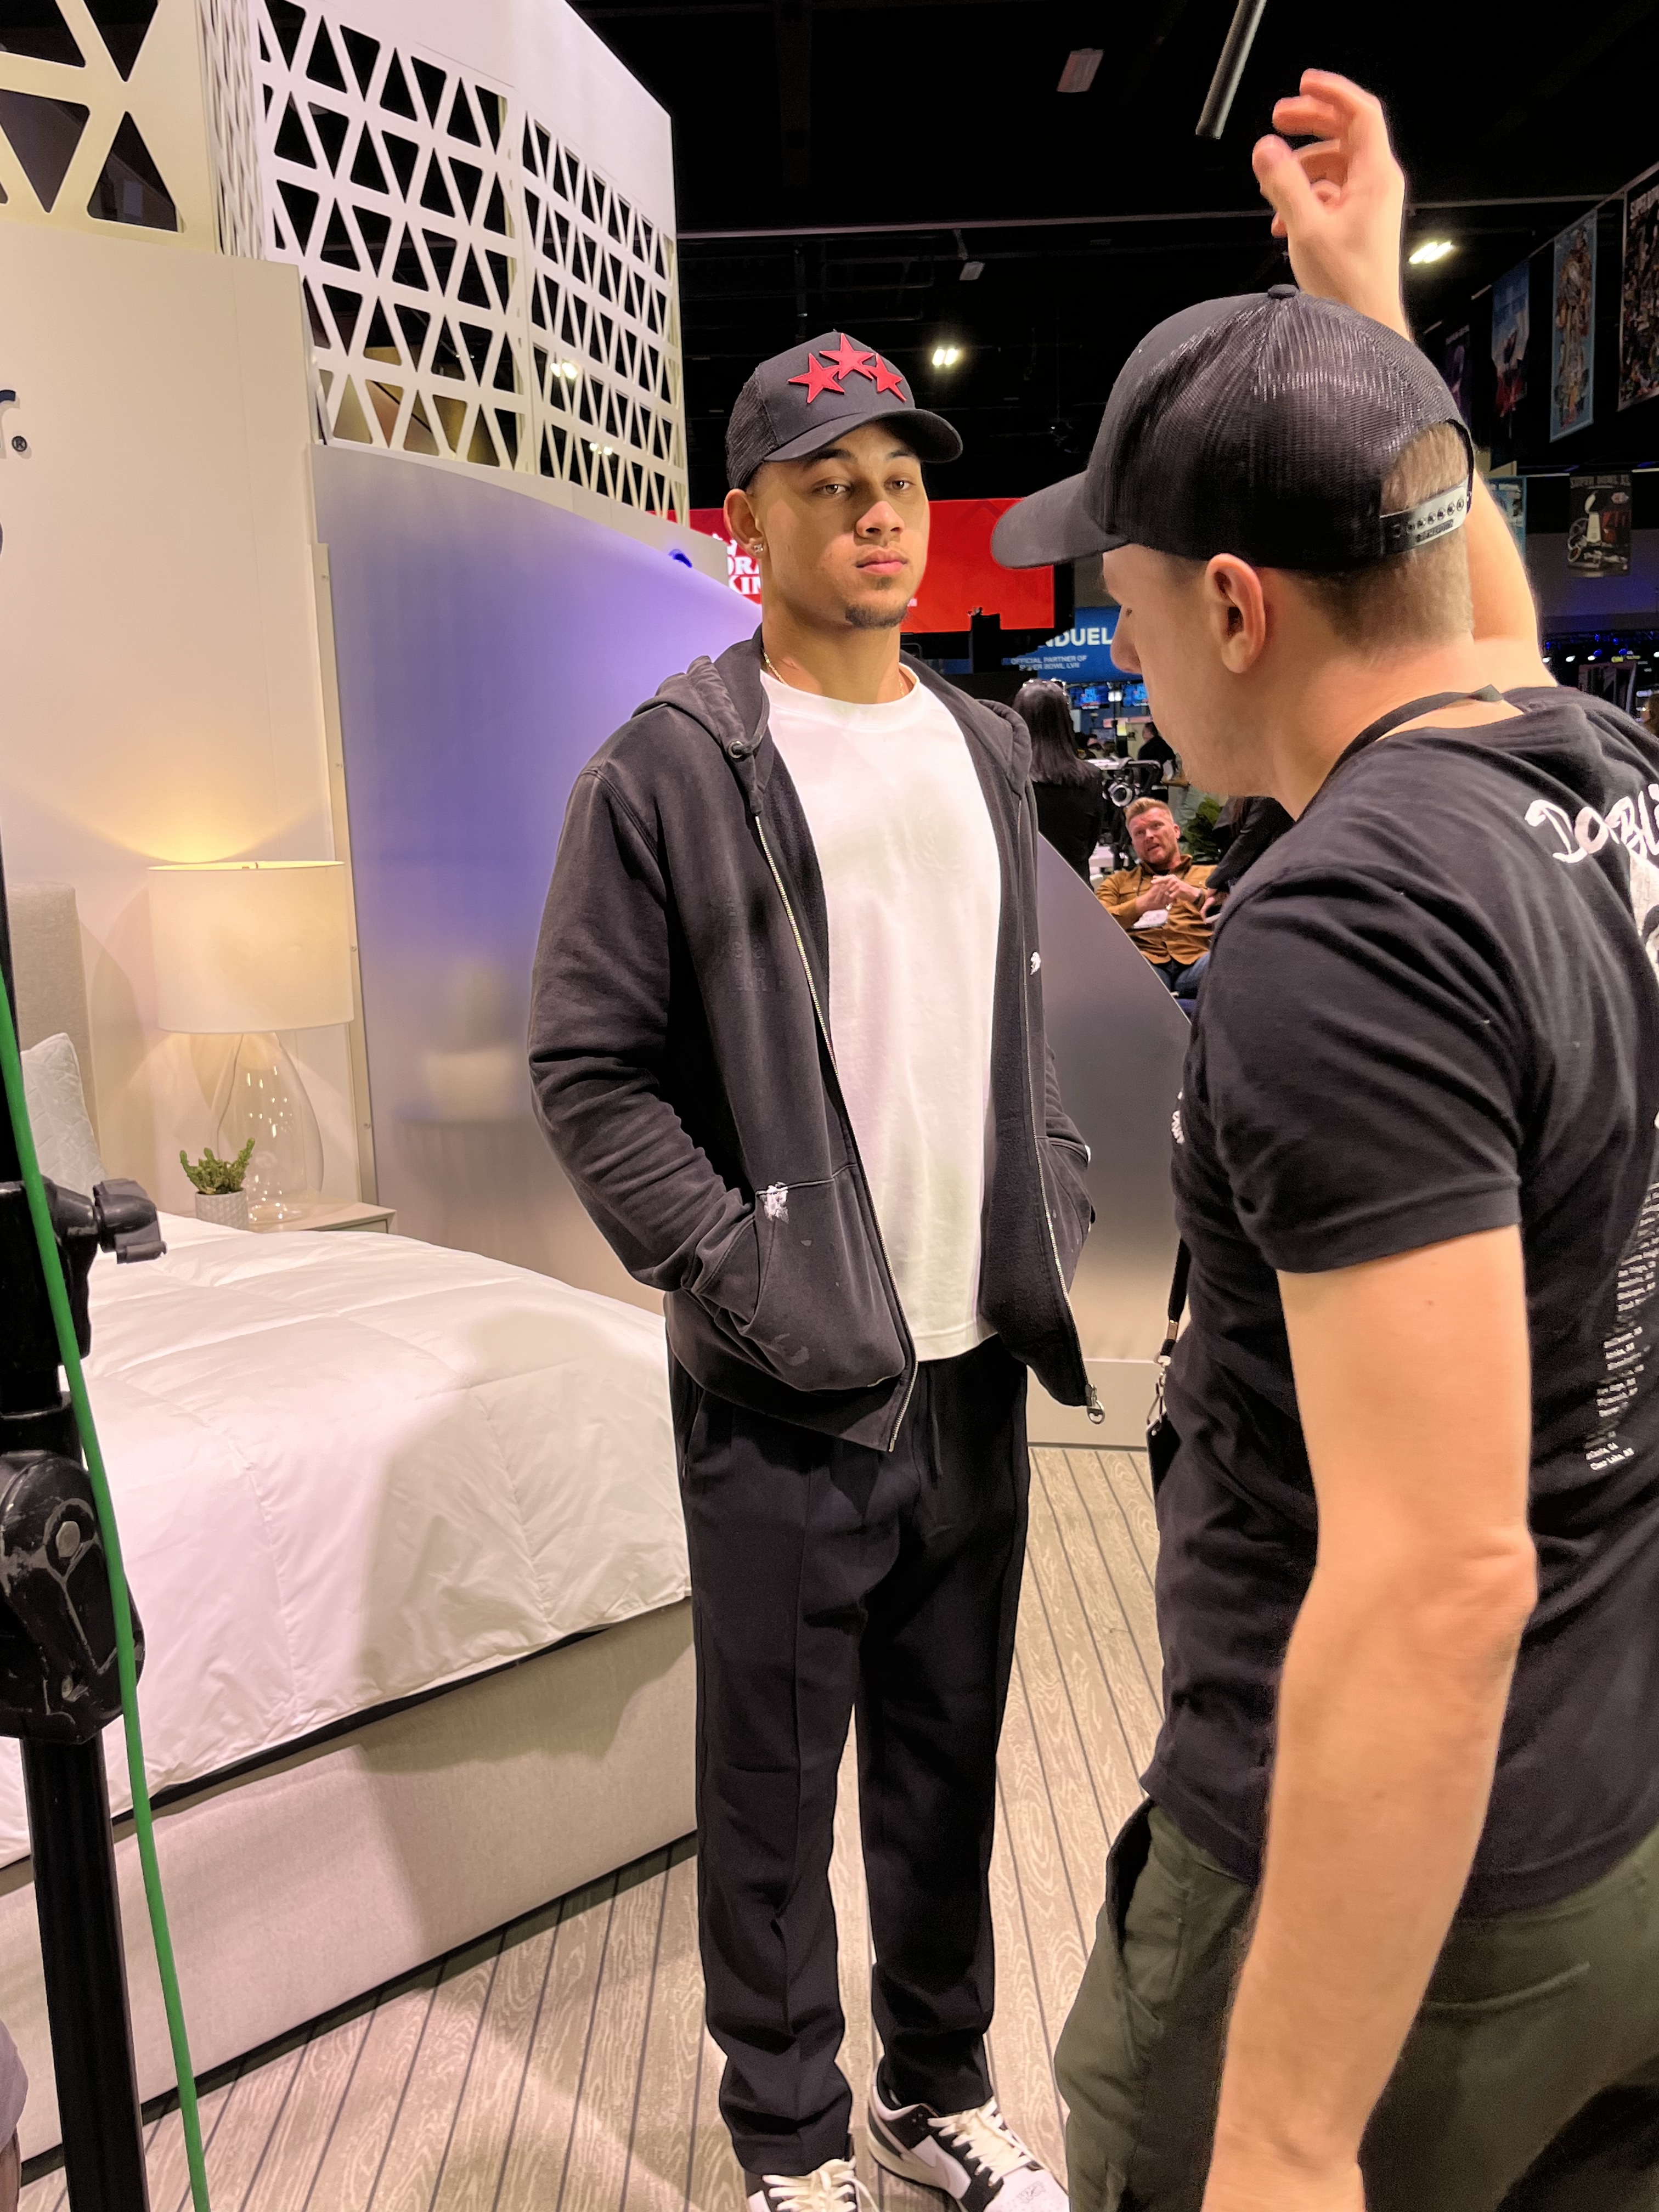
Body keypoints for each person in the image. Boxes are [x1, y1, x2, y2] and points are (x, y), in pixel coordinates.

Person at [993, 69, 1659, 2212]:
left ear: (1233, 607)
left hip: (1397, 1900)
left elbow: (1437, 1574)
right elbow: (1481, 619)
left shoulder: (1344, 927)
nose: (1113, 638)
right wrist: (1363, 315)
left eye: (1125, 592)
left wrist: (1284, 2132)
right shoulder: (1581, 762)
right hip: (1609, 1795)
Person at [529, 329, 1093, 2212]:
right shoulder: (674, 767)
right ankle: (787, 2143)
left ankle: (937, 2093)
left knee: (950, 1763)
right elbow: (590, 1070)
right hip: (786, 1380)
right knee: (772, 1788)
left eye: (900, 481)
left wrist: (1050, 1189)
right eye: (829, 482)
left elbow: (1005, 1021)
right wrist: (736, 1275)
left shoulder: (989, 748)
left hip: (975, 1360)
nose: (877, 512)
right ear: (747, 524)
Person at [1094, 797, 1213, 994]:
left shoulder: (1210, 875)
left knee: (1232, 962)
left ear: (1176, 831)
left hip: (1200, 961)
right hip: (1145, 965)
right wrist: (1142, 905)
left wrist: (1196, 895)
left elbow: (1239, 915)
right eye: (1139, 833)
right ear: (1134, 844)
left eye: (1156, 826)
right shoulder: (1117, 883)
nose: (1149, 836)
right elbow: (1096, 926)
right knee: (1124, 972)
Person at [1015, 677, 1108, 878]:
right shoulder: (1091, 778)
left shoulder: (1008, 778)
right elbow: (1089, 844)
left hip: (1022, 892)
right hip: (1076, 889)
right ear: (1066, 720)